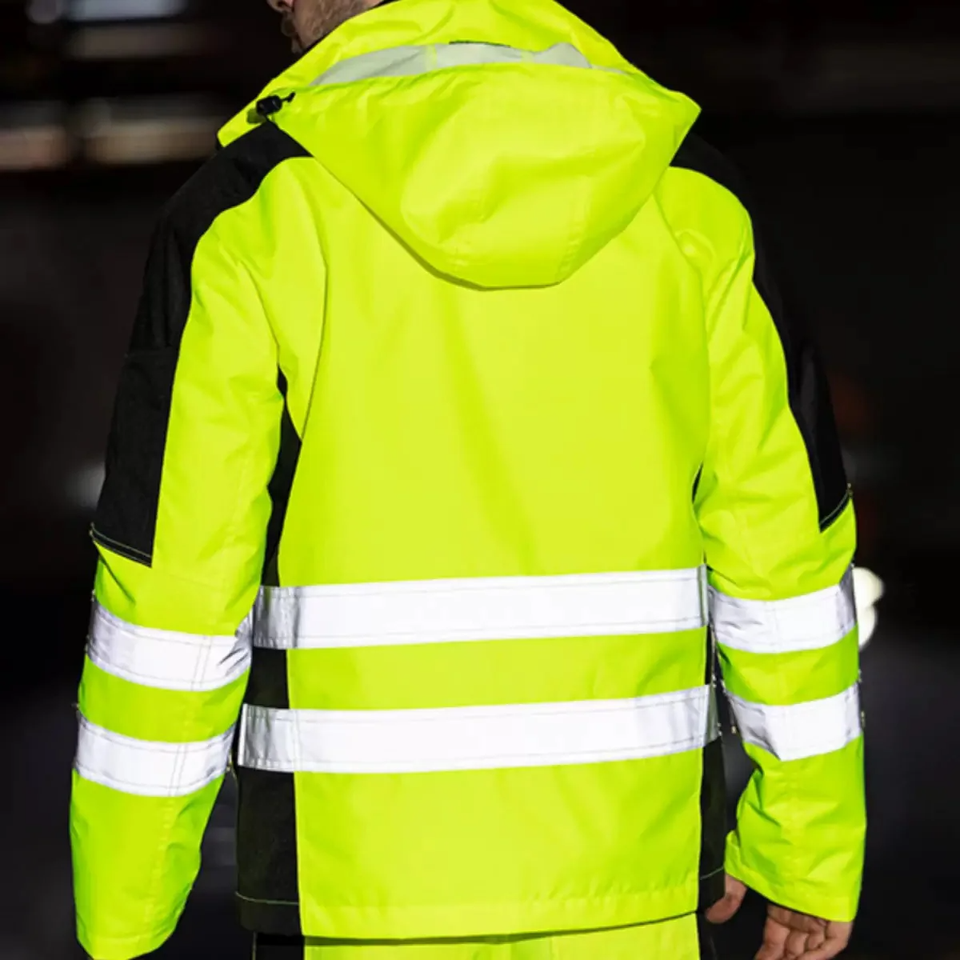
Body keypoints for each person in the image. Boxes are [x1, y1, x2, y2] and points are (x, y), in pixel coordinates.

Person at [70, 1, 866, 958]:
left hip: (352, 888)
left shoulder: (251, 215)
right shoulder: (687, 199)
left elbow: (174, 594)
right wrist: (807, 845)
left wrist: (123, 906)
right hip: (627, 880)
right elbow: (785, 557)